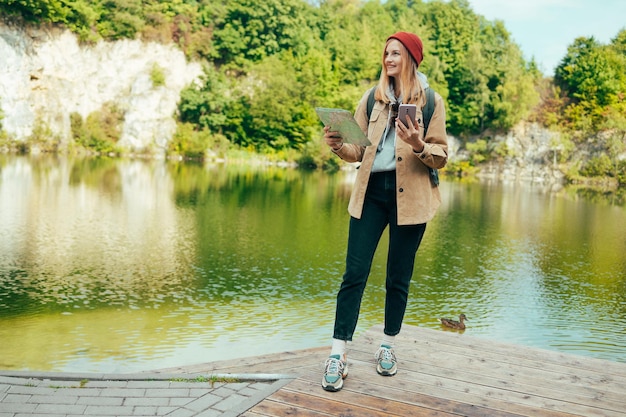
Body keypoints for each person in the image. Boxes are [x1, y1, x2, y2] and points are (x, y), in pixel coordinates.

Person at [321, 31, 448, 392]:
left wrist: (418, 143)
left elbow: (441, 155)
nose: (388, 58)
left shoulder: (431, 102)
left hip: (413, 199)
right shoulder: (371, 99)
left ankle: (388, 347)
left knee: (398, 278)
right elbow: (358, 151)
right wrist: (338, 144)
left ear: (410, 57)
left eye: (396, 53)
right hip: (371, 193)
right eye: (386, 52)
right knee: (354, 274)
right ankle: (337, 352)